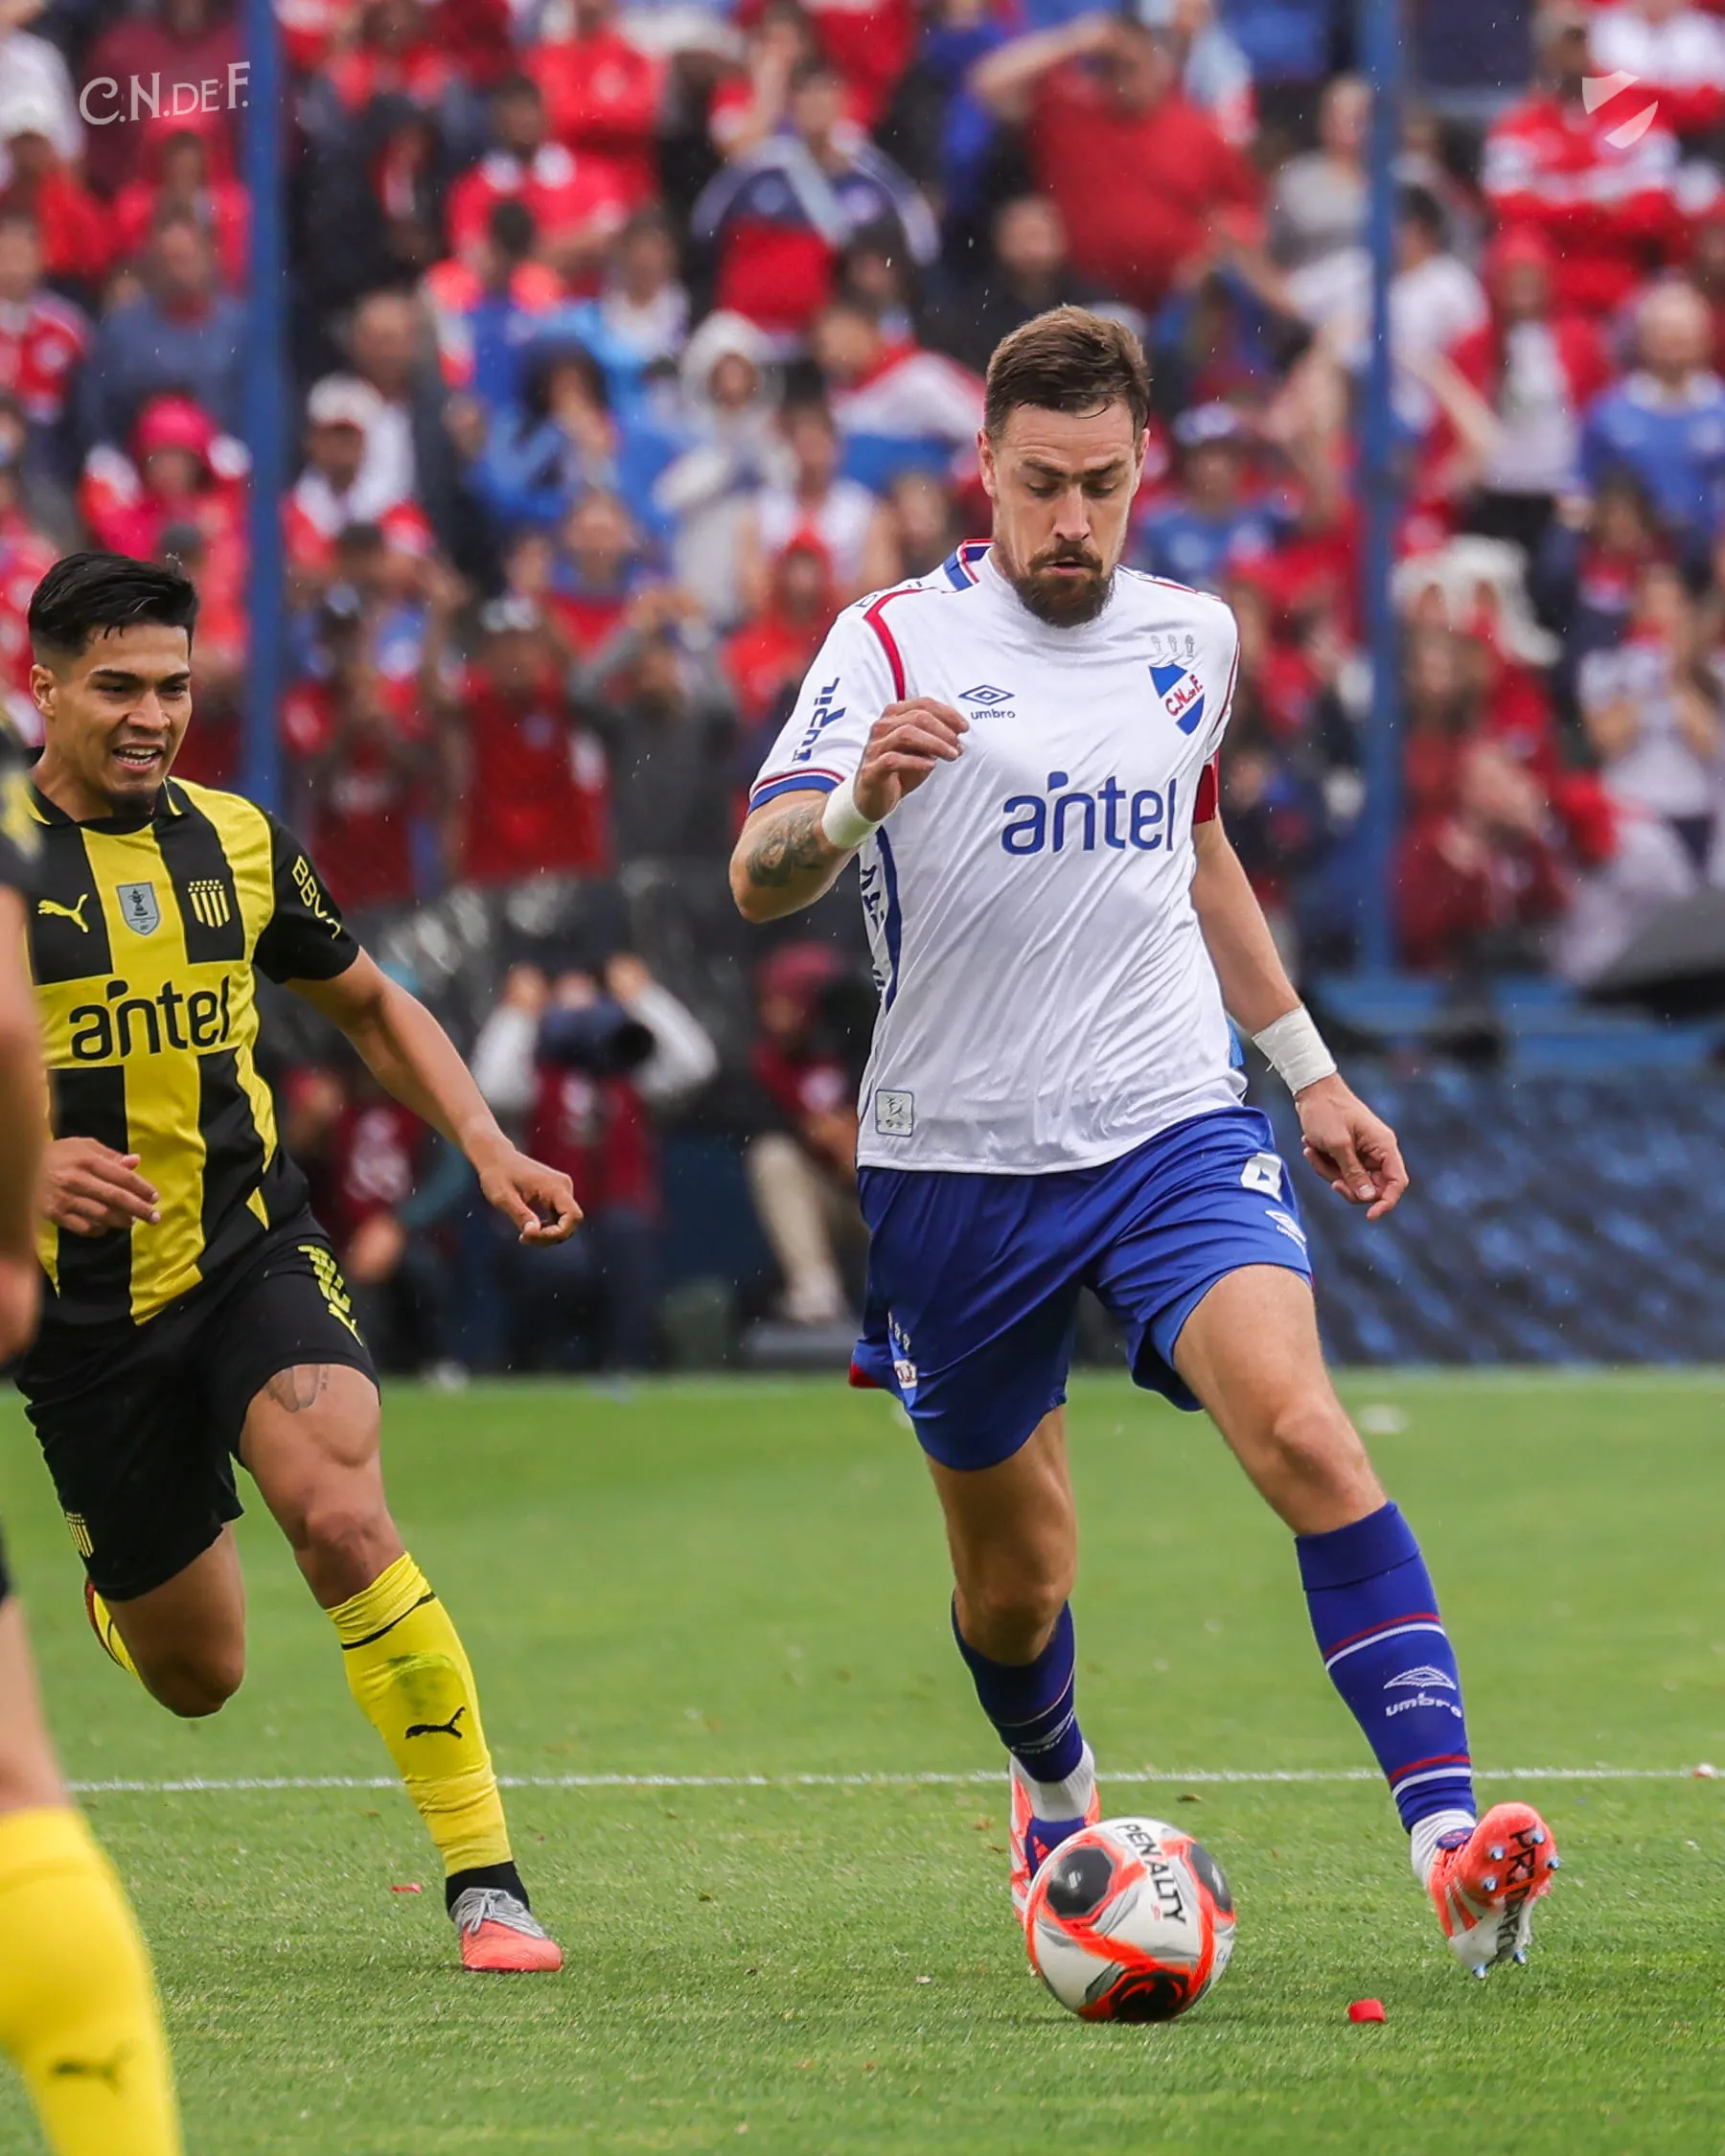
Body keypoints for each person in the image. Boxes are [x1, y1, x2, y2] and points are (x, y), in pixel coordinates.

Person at [727, 307, 1559, 1978]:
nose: (1072, 520)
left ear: (1141, 468)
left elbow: (1197, 847)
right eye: (1042, 483)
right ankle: (1054, 1786)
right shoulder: (889, 642)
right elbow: (759, 875)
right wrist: (856, 801)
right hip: (957, 1164)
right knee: (1017, 1586)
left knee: (1306, 1433)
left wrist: (1309, 1072)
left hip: (1169, 1121)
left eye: (1101, 484)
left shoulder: (1195, 634)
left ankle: (1452, 1848)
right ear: (984, 465)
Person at [18, 551, 581, 1975]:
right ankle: (126, 1580)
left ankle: (488, 1882)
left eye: (173, 686)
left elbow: (374, 1007)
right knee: (200, 1673)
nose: (153, 716)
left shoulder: (239, 841)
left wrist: (486, 1140)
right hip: (81, 1314)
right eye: (118, 687)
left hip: (247, 1250)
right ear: (44, 688)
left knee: (340, 1509)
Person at [0, 730, 184, 2152]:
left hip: (216, 1249)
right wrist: (14, 1237)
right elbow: (9, 1031)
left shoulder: (230, 838)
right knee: (15, 1790)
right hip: (85, 1303)